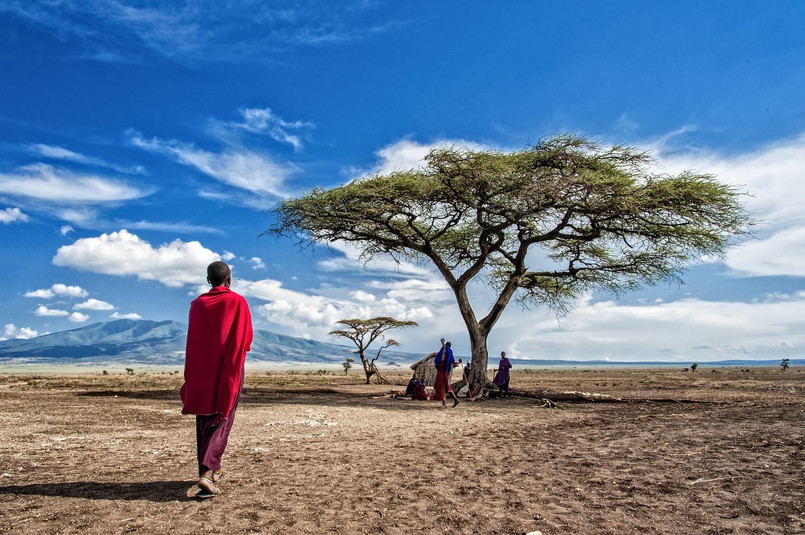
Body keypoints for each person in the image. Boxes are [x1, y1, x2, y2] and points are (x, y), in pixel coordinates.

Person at [180, 261, 253, 496]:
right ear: (229, 279)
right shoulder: (237, 301)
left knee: (204, 420)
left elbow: (195, 339)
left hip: (201, 370)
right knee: (223, 416)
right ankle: (207, 471)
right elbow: (245, 338)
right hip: (228, 369)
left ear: (208, 280)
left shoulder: (197, 304)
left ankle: (213, 470)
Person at [433, 338, 460, 408]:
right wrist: (459, 362)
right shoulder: (447, 352)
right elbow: (452, 361)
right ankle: (455, 400)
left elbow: (445, 350)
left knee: (442, 387)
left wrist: (442, 342)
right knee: (446, 387)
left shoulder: (447, 351)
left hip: (443, 371)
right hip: (442, 371)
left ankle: (444, 404)